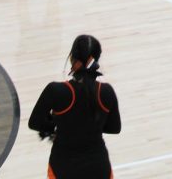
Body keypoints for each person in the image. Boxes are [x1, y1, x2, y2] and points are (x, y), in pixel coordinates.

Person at [28, 34, 121, 179]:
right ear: (96, 61)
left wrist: (57, 125)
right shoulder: (106, 92)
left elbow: (35, 122)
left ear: (72, 59)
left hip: (64, 167)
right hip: (98, 167)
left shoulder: (56, 91)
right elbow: (114, 128)